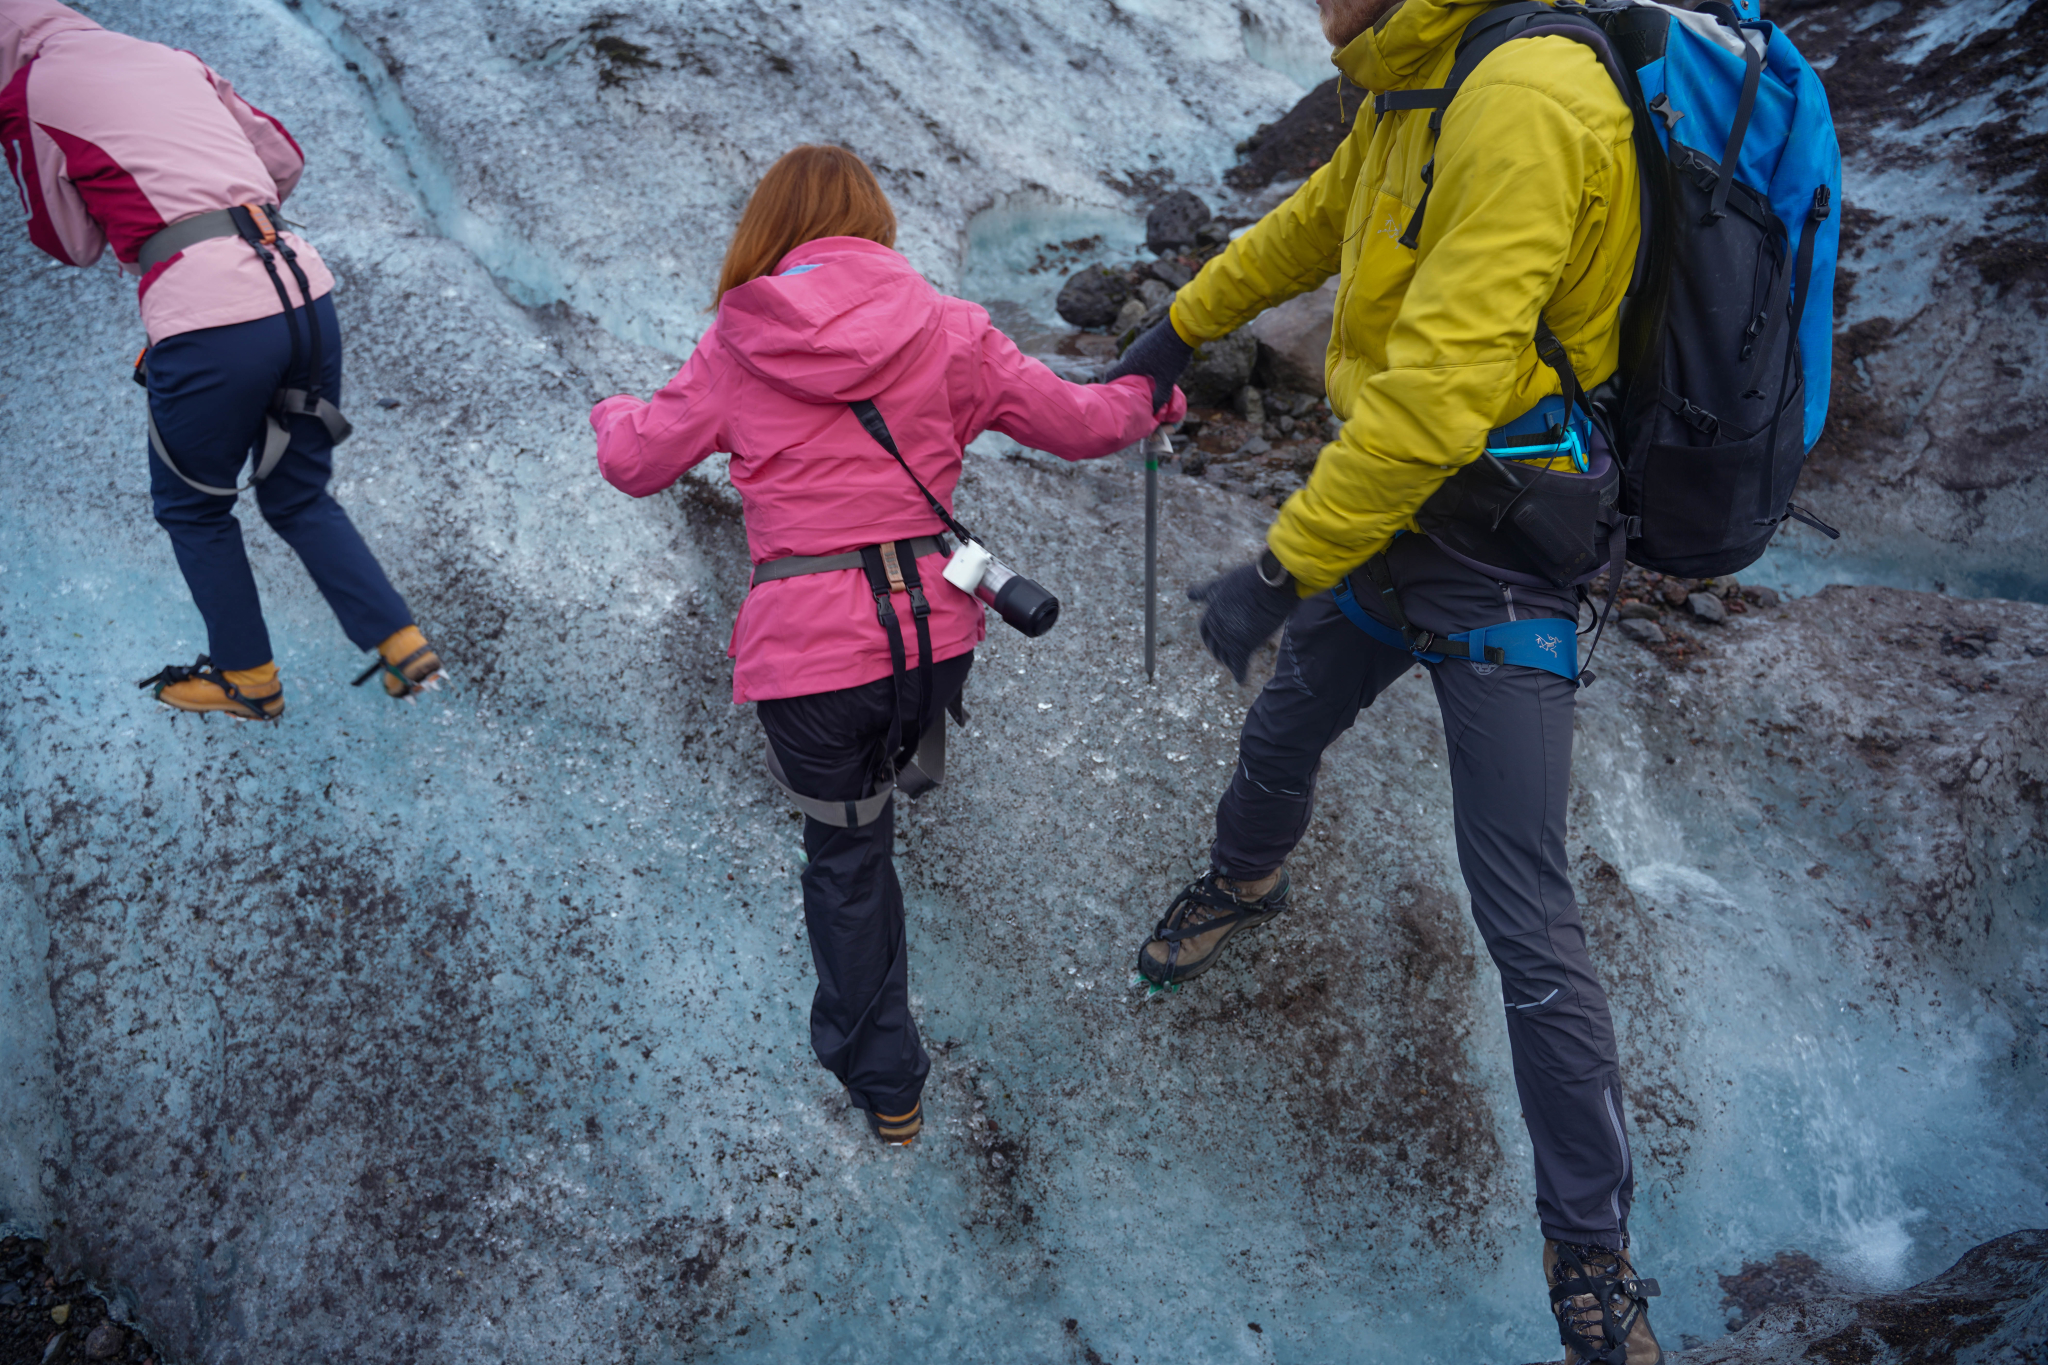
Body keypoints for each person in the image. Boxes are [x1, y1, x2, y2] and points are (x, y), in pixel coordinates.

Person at [1108, 0, 1664, 1359]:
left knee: (1523, 903)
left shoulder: (1527, 95)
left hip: (1506, 549)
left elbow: (1437, 395)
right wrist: (1179, 326)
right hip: (1403, 518)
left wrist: (1278, 569)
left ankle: (1589, 1244)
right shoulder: (1412, 85)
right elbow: (1311, 229)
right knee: (1286, 724)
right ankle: (1249, 880)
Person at [591, 145, 1185, 1147]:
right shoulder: (951, 328)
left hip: (809, 658)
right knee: (892, 748)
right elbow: (1080, 423)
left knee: (845, 858)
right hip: (932, 640)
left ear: (772, 232)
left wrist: (610, 409)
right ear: (873, 224)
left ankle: (889, 1088)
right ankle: (903, 771)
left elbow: (637, 461)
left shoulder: (737, 342)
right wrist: (1152, 398)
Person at [0, 0, 444, 720]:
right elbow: (283, 160)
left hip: (208, 318)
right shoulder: (171, 58)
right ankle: (401, 643)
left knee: (193, 508)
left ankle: (247, 678)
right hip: (304, 289)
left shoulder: (27, 92)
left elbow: (65, 240)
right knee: (297, 493)